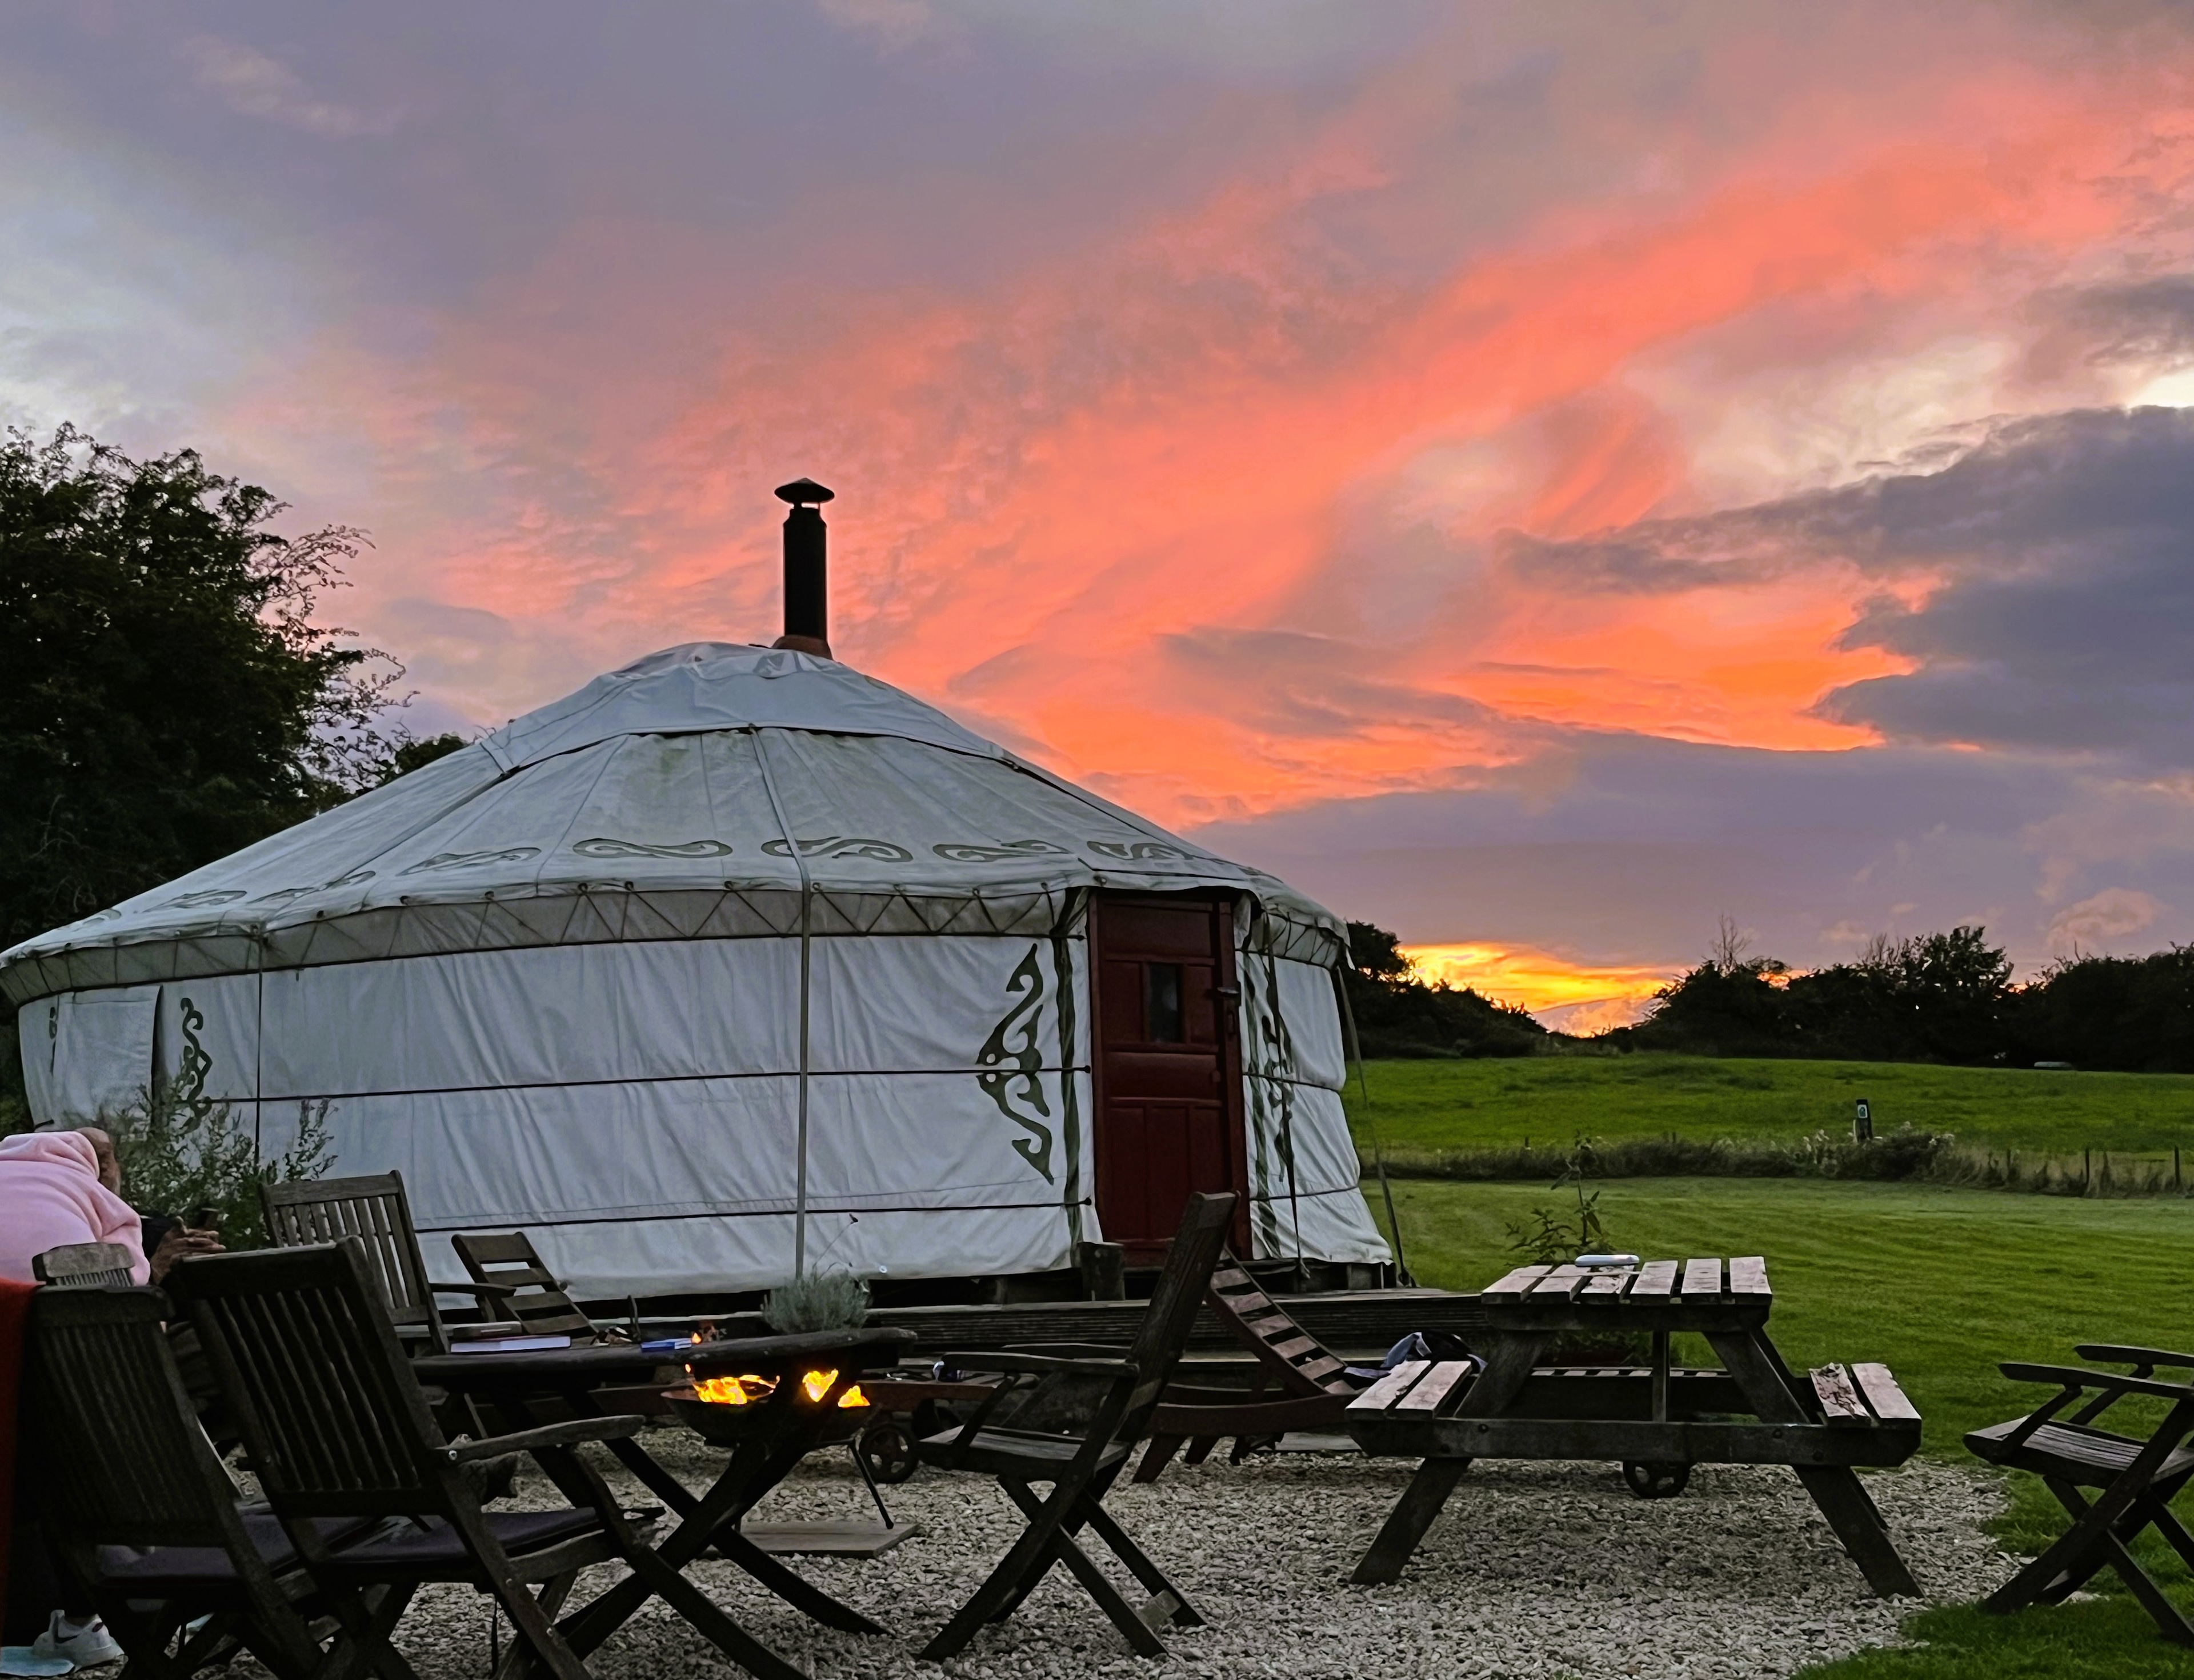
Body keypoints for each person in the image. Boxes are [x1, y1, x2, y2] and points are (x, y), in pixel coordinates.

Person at [0, 1129, 222, 1668]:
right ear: (102, 1163)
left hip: (18, 1370)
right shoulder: (92, 1190)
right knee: (210, 1374)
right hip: (104, 1389)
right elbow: (129, 1288)